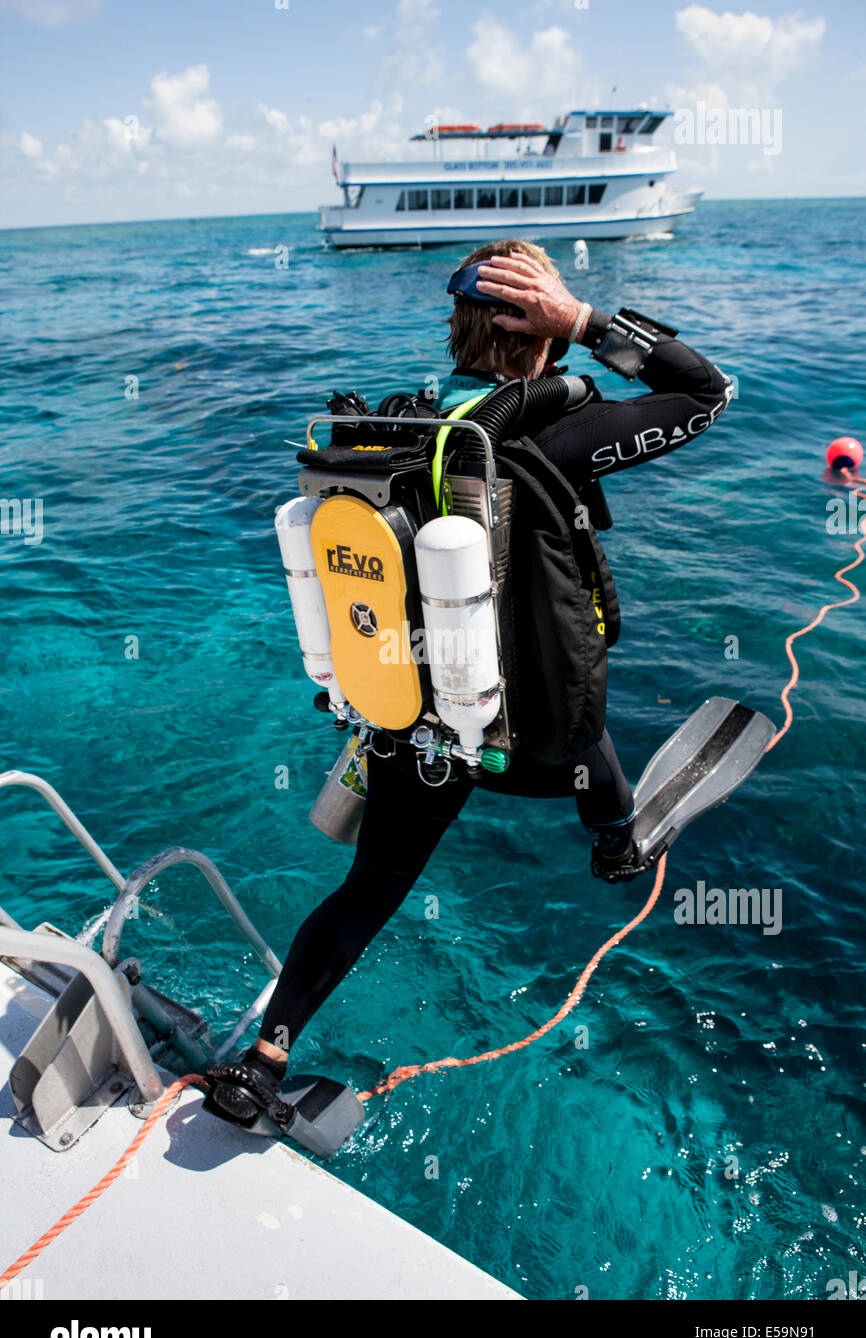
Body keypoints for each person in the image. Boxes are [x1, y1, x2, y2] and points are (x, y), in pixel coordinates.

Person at [204, 238, 734, 1125]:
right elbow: (706, 392)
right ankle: (614, 845)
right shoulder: (552, 433)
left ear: (457, 328)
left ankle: (264, 1060)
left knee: (367, 893)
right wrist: (589, 320)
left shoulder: (399, 429)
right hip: (531, 731)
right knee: (590, 733)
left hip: (415, 724)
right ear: (544, 339)